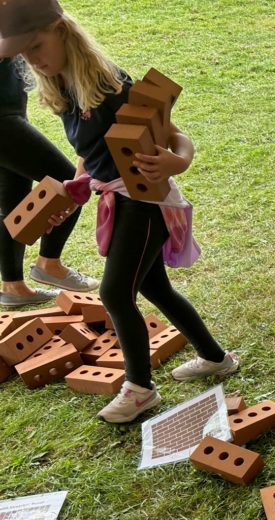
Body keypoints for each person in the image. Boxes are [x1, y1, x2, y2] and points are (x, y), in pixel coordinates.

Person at [6, 1, 238, 423]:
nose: (33, 60)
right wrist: (75, 189)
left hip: (146, 202)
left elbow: (177, 137)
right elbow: (89, 156)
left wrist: (178, 161)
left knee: (114, 292)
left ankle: (140, 387)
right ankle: (216, 358)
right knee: (156, 289)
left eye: (36, 46)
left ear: (62, 30)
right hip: (118, 197)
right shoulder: (63, 88)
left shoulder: (114, 86)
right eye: (23, 54)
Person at [0, 54, 98, 308]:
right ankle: (49, 263)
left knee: (14, 206)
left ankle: (13, 286)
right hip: (4, 123)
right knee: (68, 182)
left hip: (10, 118)